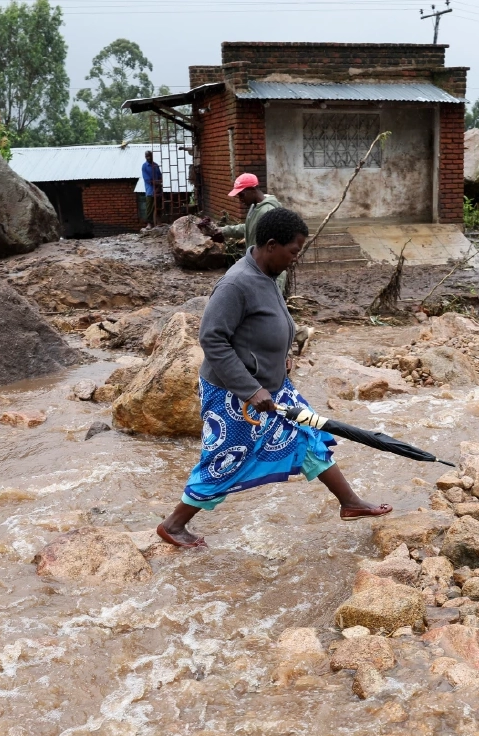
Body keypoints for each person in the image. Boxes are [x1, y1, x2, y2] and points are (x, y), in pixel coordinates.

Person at [156, 207, 391, 548]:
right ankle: (173, 525)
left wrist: (283, 356)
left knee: (310, 435)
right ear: (270, 245)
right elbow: (212, 338)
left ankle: (350, 502)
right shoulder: (236, 283)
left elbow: (264, 327)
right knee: (225, 459)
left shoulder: (267, 275)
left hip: (273, 387)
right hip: (234, 394)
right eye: (293, 251)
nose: (295, 259)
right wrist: (250, 389)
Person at [213, 173, 289, 293]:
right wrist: (224, 231)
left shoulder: (268, 211)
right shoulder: (255, 207)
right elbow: (248, 227)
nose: (240, 199)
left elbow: (275, 248)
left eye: (241, 195)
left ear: (252, 190)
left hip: (269, 271)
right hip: (259, 268)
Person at [141, 151, 163, 229]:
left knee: (158, 206)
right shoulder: (144, 166)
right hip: (150, 190)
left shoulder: (156, 165)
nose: (148, 158)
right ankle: (150, 223)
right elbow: (147, 179)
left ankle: (158, 221)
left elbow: (160, 176)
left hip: (158, 190)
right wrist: (156, 184)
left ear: (152, 156)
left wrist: (159, 183)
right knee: (150, 207)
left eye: (149, 156)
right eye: (146, 156)